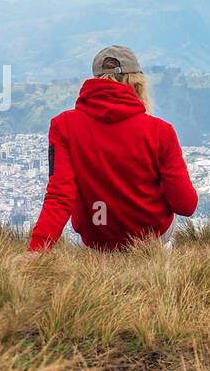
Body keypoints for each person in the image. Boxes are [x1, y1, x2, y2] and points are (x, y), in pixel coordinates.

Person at [27, 45, 198, 251]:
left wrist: (35, 253)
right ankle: (159, 258)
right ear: (137, 83)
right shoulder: (160, 131)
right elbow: (185, 205)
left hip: (97, 238)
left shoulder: (63, 126)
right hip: (151, 236)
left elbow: (59, 195)